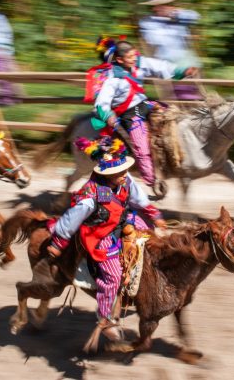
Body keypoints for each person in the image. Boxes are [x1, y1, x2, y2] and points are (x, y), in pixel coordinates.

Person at [46, 136, 166, 341]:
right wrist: (59, 241)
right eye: (119, 173)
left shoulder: (125, 179)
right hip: (100, 233)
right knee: (113, 275)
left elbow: (138, 198)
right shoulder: (90, 196)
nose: (125, 175)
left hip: (122, 220)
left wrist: (154, 214)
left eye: (124, 171)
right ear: (107, 175)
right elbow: (72, 218)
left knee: (151, 237)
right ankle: (106, 316)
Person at [91, 38, 197, 191]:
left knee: (174, 118)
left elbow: (160, 66)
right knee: (141, 146)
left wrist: (182, 70)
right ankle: (152, 181)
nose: (134, 58)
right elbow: (101, 102)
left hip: (145, 104)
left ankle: (175, 160)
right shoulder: (112, 78)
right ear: (120, 60)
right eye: (130, 57)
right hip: (129, 113)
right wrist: (108, 115)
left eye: (135, 55)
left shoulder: (139, 63)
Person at [139, 0, 202, 100]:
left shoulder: (179, 17)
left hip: (186, 61)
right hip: (168, 64)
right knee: (179, 98)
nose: (163, 8)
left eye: (165, 5)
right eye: (160, 6)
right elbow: (155, 40)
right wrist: (167, 21)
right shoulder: (148, 22)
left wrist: (177, 14)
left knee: (194, 96)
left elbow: (196, 16)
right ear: (154, 7)